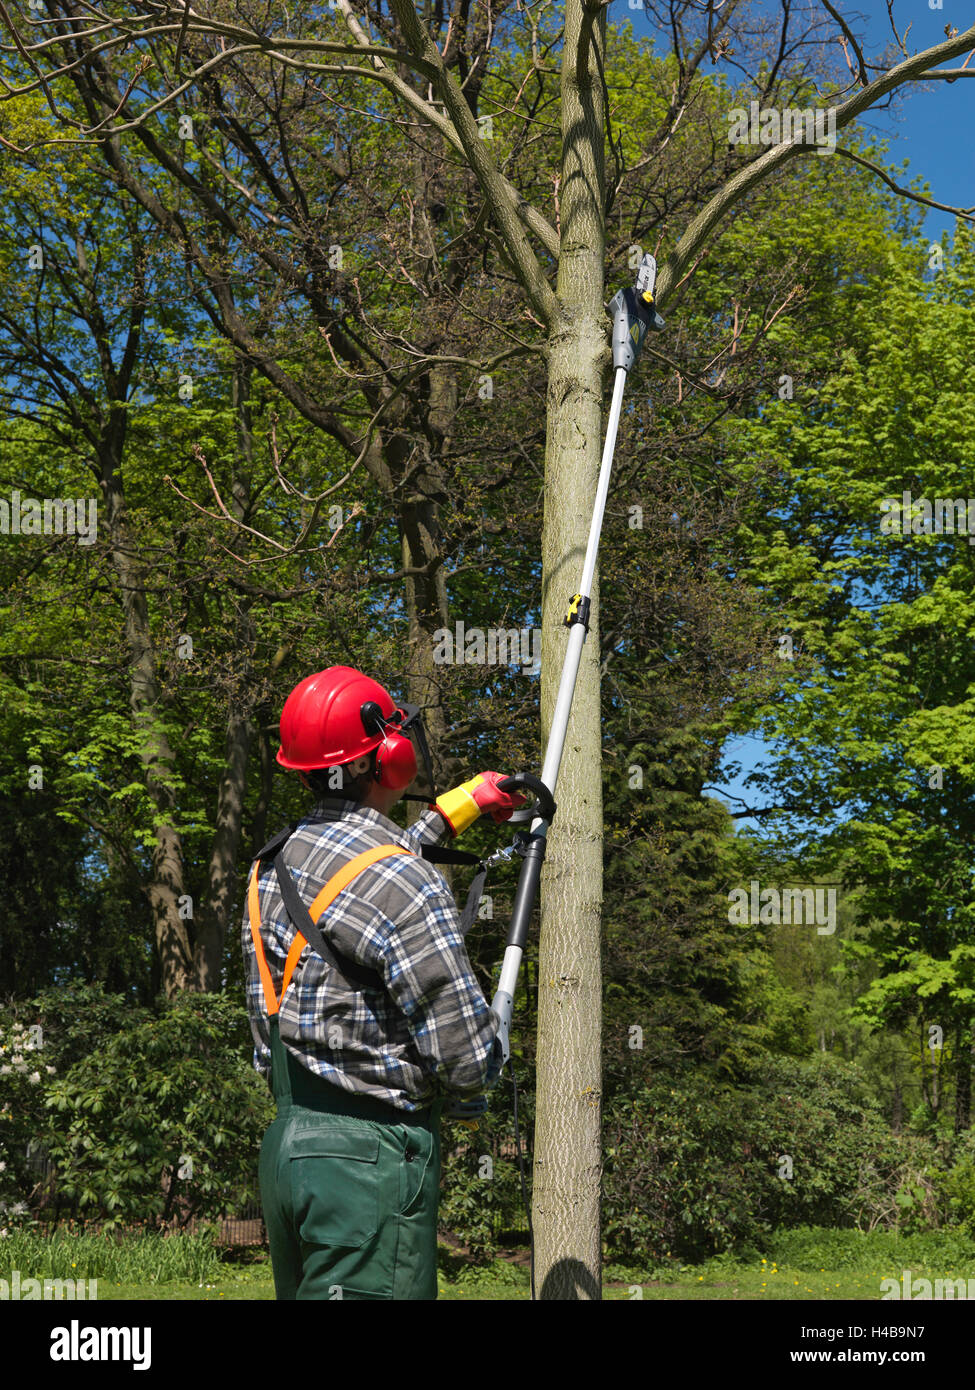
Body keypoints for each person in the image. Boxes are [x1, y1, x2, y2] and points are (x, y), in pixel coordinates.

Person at [242, 664, 525, 1300]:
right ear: (388, 760)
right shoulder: (403, 883)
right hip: (368, 1164)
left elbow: (360, 880)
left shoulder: (272, 866)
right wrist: (490, 1044)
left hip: (292, 1154)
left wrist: (464, 806)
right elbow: (468, 1065)